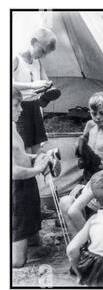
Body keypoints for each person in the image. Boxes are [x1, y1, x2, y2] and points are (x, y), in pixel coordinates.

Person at [12, 87, 50, 268]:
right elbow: (13, 172)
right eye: (15, 106)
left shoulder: (11, 125)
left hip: (27, 185)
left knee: (34, 236)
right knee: (18, 262)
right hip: (15, 190)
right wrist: (38, 168)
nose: (20, 110)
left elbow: (19, 155)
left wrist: (38, 158)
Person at [13, 27, 59, 154]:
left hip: (34, 105)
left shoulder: (37, 62)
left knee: (37, 145)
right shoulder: (15, 58)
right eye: (42, 51)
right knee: (25, 146)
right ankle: (28, 172)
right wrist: (32, 85)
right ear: (33, 42)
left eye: (46, 54)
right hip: (19, 107)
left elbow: (44, 79)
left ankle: (37, 170)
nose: (43, 56)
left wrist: (48, 86)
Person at [76, 92, 103, 182]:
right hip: (87, 174)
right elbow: (82, 147)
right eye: (94, 113)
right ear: (90, 112)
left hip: (102, 177)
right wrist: (79, 151)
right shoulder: (90, 125)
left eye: (101, 113)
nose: (98, 117)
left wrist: (91, 162)